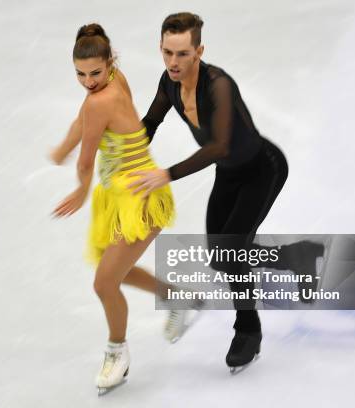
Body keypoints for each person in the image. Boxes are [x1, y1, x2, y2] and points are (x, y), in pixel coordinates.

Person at [126, 12, 295, 371]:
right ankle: (279, 258)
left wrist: (166, 174)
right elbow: (150, 123)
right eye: (167, 52)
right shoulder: (168, 83)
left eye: (182, 54)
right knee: (221, 257)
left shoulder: (219, 84)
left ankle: (248, 331)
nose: (173, 62)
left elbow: (218, 146)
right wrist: (120, 154)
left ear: (198, 50)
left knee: (232, 250)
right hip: (230, 175)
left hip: (262, 169)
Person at [50, 23, 179, 394]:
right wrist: (63, 146)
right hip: (125, 192)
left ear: (110, 63)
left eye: (94, 73)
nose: (88, 81)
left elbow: (87, 159)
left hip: (136, 198)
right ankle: (178, 298)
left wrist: (79, 190)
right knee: (115, 274)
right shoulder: (115, 80)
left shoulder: (99, 100)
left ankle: (116, 353)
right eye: (80, 74)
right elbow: (82, 120)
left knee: (104, 282)